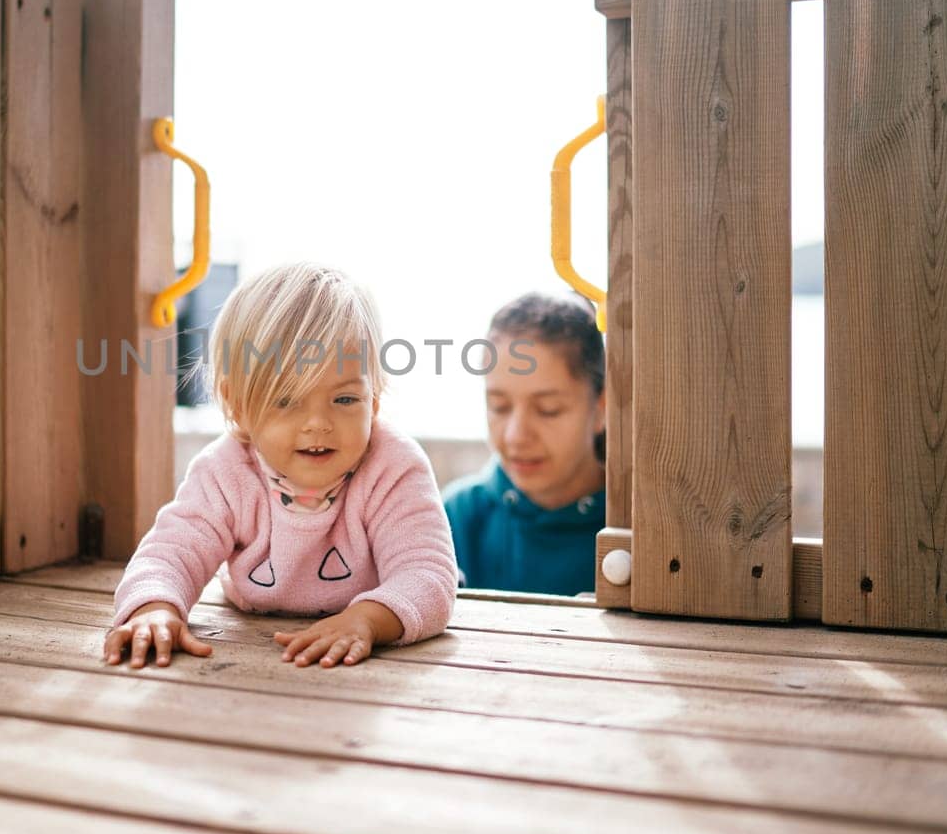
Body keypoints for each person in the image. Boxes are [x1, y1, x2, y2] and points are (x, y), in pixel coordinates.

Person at [105, 263, 458, 669]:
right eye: (287, 400)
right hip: (252, 649)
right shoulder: (225, 472)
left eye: (345, 400)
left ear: (374, 400)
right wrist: (154, 608)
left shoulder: (393, 467)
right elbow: (170, 553)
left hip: (364, 658)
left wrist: (367, 620)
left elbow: (429, 576)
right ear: (238, 406)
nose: (318, 424)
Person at [444, 291, 606, 594]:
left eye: (548, 410)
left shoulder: (639, 530)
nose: (516, 435)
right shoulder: (452, 520)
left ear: (602, 408)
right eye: (499, 406)